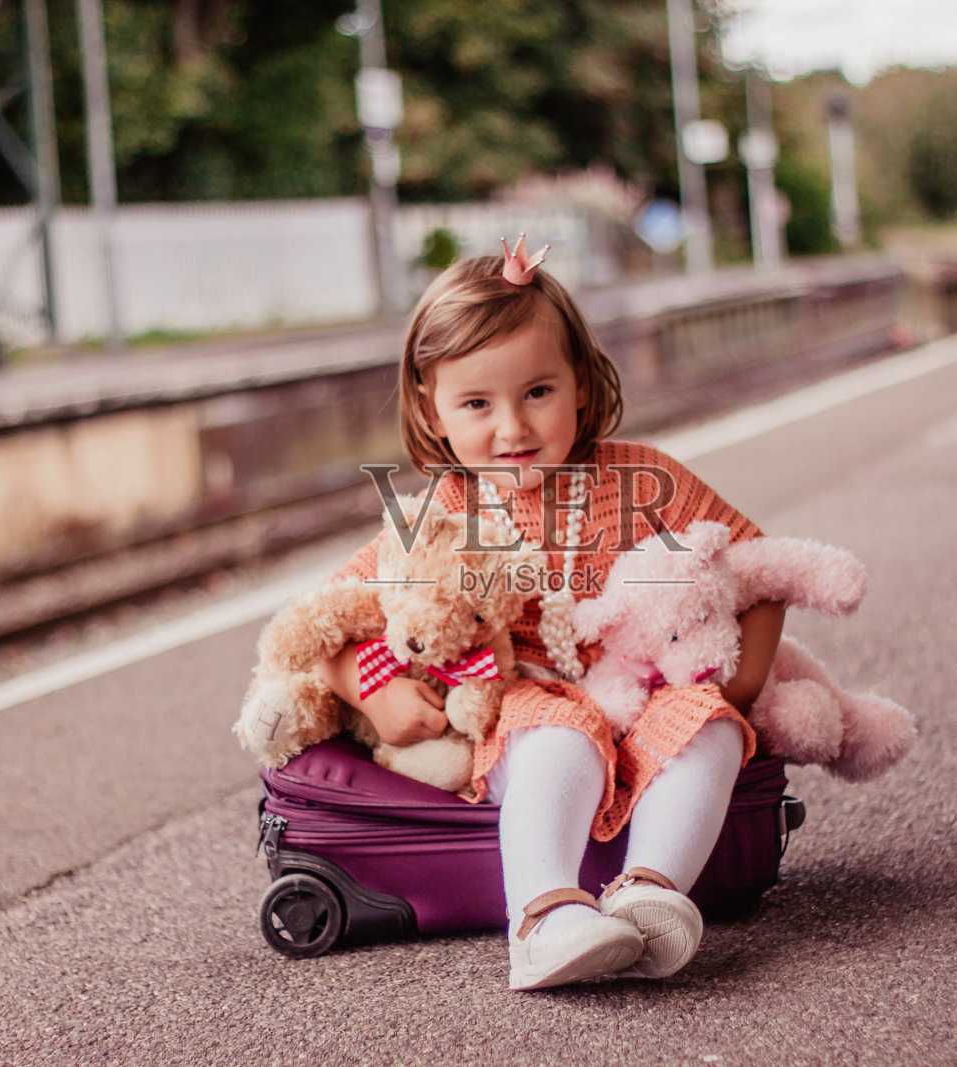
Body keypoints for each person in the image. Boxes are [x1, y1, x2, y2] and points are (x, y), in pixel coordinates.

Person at [312, 238, 787, 990]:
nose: (513, 428)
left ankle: (649, 895)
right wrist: (372, 687)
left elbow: (759, 565)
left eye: (538, 391)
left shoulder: (643, 477)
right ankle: (542, 919)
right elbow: (324, 620)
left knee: (711, 727)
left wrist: (741, 684)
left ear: (583, 389)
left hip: (643, 699)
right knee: (557, 738)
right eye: (476, 403)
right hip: (521, 710)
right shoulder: (443, 510)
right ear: (431, 413)